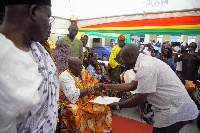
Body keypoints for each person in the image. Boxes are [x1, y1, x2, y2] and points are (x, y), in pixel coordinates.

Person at [104, 44, 199, 133]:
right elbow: (131, 85)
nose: (122, 62)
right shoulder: (144, 62)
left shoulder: (146, 66)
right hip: (174, 107)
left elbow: (140, 98)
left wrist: (118, 105)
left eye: (122, 59)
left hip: (175, 110)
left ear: (129, 56)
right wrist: (107, 86)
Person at [0, 0, 59, 132]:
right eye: (48, 17)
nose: (49, 25)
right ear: (33, 12)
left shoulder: (39, 49)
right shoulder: (3, 55)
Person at [59, 57, 112, 133]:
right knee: (77, 112)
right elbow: (72, 96)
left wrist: (101, 95)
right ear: (70, 66)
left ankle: (100, 130)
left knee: (103, 106)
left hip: (85, 99)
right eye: (77, 66)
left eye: (81, 65)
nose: (81, 68)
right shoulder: (65, 76)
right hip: (69, 102)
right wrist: (92, 88)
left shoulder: (81, 73)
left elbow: (91, 85)